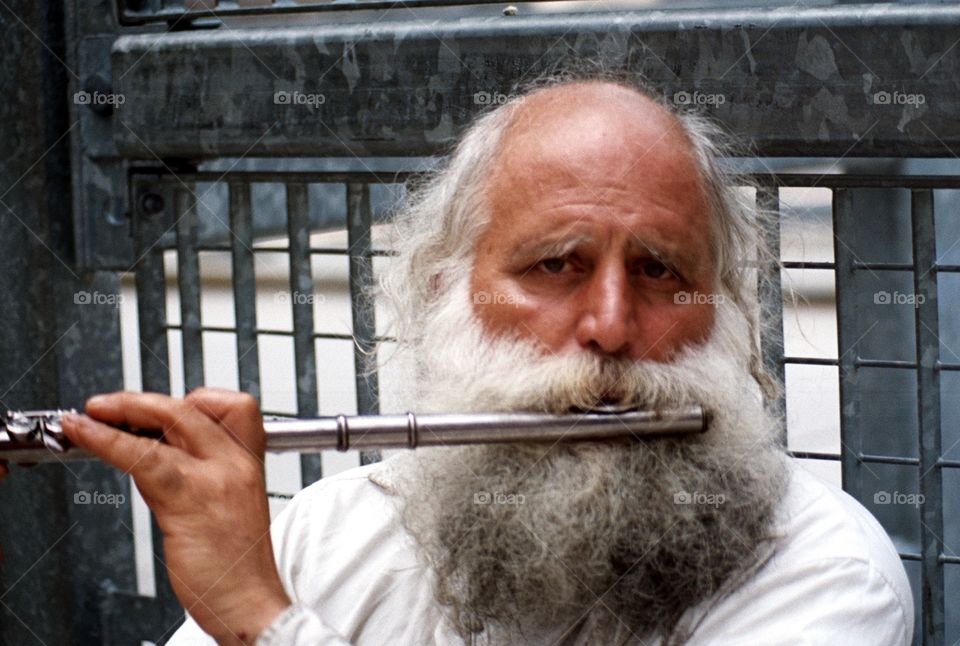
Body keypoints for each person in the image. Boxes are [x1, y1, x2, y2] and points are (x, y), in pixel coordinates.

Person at [50, 77, 912, 645]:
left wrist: (257, 618)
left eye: (659, 271)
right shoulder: (329, 534)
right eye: (555, 265)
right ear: (444, 293)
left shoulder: (824, 575)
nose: (611, 326)